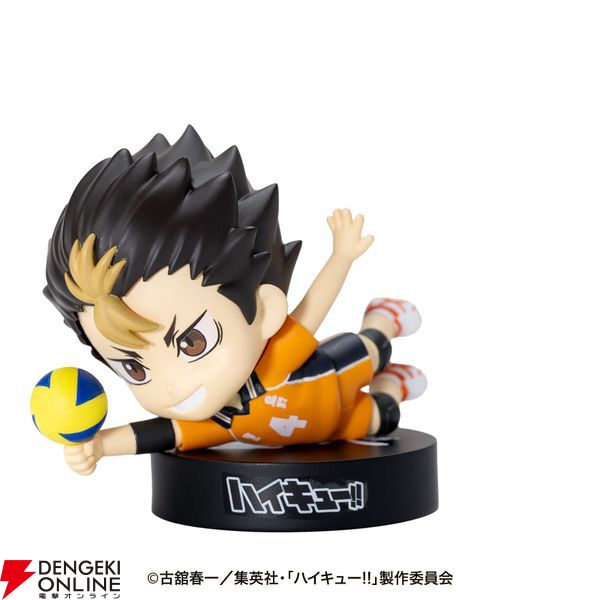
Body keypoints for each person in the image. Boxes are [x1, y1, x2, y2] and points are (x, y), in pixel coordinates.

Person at [44, 126, 426, 475]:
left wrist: (341, 257)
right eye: (134, 369)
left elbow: (313, 309)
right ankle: (393, 385)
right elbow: (160, 434)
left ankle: (381, 321)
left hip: (334, 371)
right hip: (340, 426)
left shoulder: (278, 358)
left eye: (192, 343)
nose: (171, 386)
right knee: (383, 417)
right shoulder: (218, 421)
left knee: (373, 348)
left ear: (266, 310)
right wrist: (99, 446)